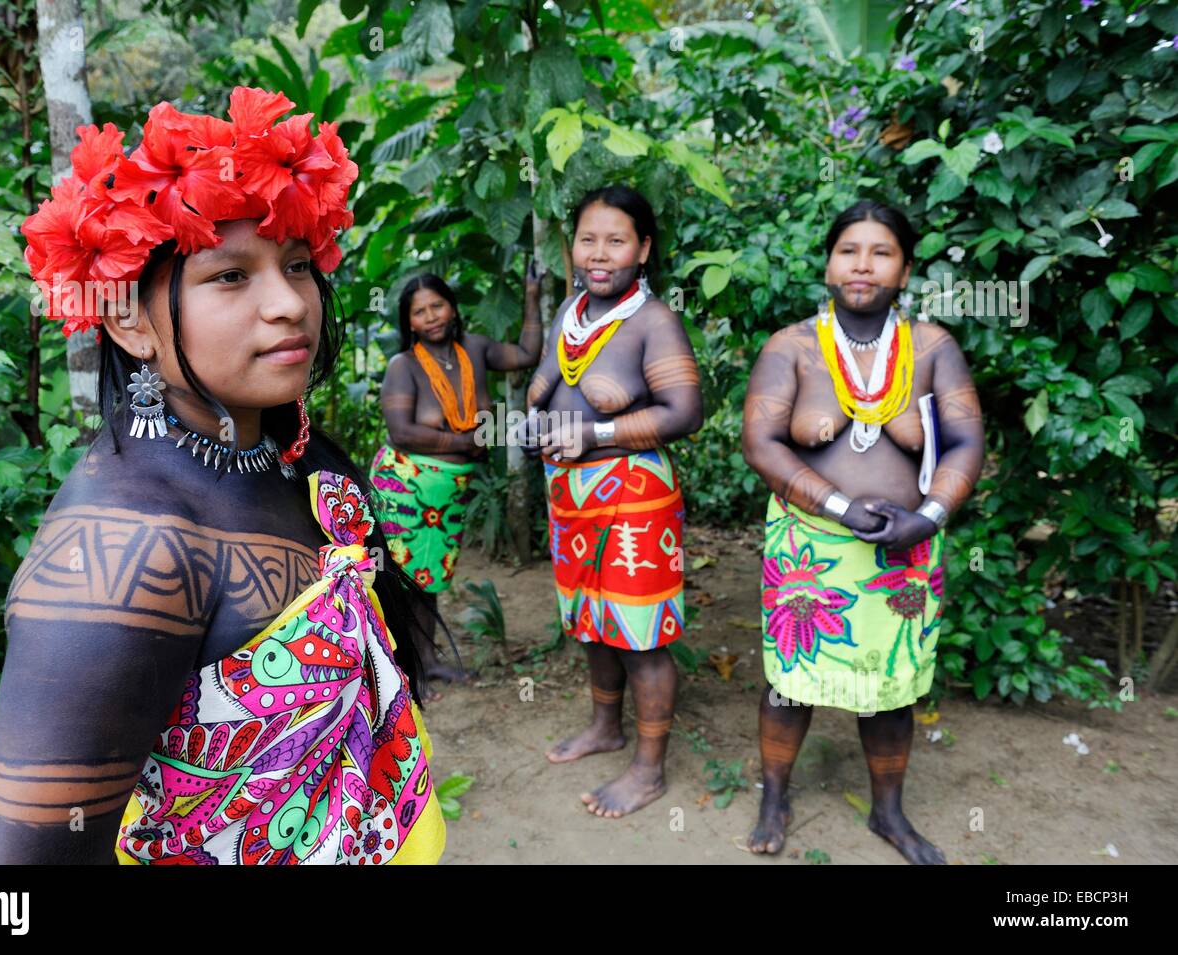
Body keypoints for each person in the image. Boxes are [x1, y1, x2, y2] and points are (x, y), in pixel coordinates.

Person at [0, 87, 444, 865]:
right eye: (229, 276)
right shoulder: (125, 558)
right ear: (127, 318)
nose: (289, 303)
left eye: (296, 264)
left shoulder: (296, 455)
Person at [740, 199, 983, 864]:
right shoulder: (790, 346)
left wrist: (928, 515)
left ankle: (888, 813)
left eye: (882, 252)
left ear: (904, 268)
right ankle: (775, 797)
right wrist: (842, 506)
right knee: (792, 682)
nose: (863, 264)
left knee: (893, 689)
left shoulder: (934, 348)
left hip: (906, 549)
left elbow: (965, 442)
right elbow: (761, 444)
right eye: (849, 249)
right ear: (827, 261)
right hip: (810, 548)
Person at [528, 185, 703, 818]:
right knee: (591, 619)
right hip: (569, 495)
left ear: (644, 249)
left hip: (634, 495)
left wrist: (594, 432)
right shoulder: (571, 310)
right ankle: (606, 727)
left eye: (616, 240)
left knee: (641, 634)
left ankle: (649, 771)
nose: (599, 254)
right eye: (587, 239)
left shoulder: (653, 321)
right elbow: (545, 384)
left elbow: (685, 412)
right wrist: (533, 423)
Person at [369, 268, 542, 680]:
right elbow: (402, 432)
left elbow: (526, 353)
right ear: (407, 321)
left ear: (452, 307)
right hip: (405, 486)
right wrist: (467, 442)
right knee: (399, 580)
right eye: (419, 312)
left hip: (448, 490)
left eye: (437, 306)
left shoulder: (476, 350)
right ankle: (396, 669)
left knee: (429, 578)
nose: (431, 317)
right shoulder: (403, 365)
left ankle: (426, 663)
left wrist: (532, 295)